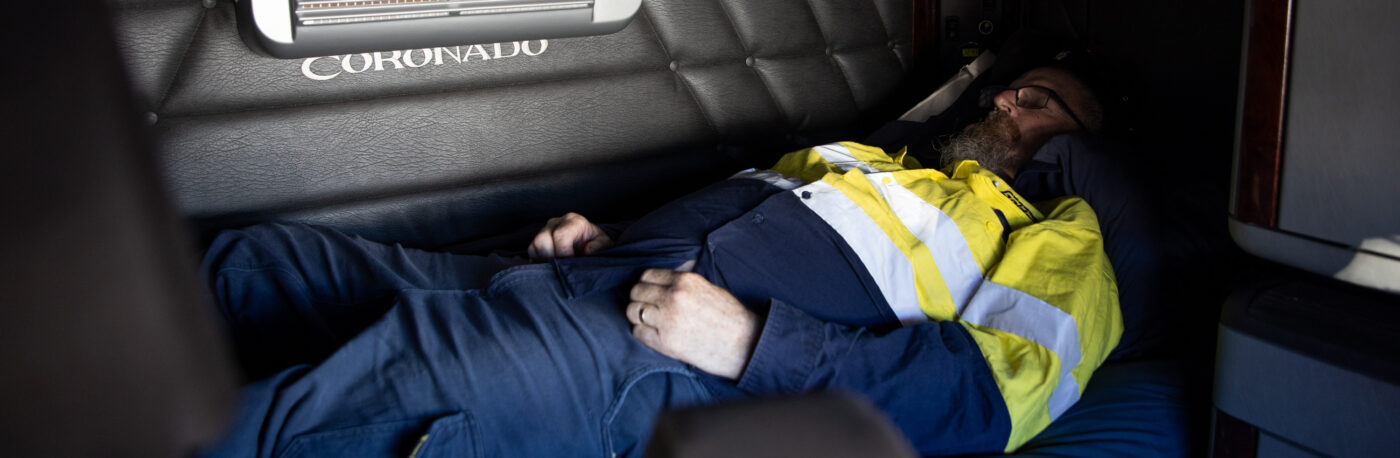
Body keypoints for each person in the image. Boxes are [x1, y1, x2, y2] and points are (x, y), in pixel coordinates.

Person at [201, 67, 1150, 457]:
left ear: (1085, 151)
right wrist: (611, 238)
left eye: (1048, 106)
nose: (1017, 101)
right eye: (1019, 88)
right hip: (563, 280)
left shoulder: (1059, 238)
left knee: (295, 421)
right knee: (253, 263)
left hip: (652, 359)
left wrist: (751, 343)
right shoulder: (872, 160)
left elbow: (985, 400)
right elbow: (730, 224)